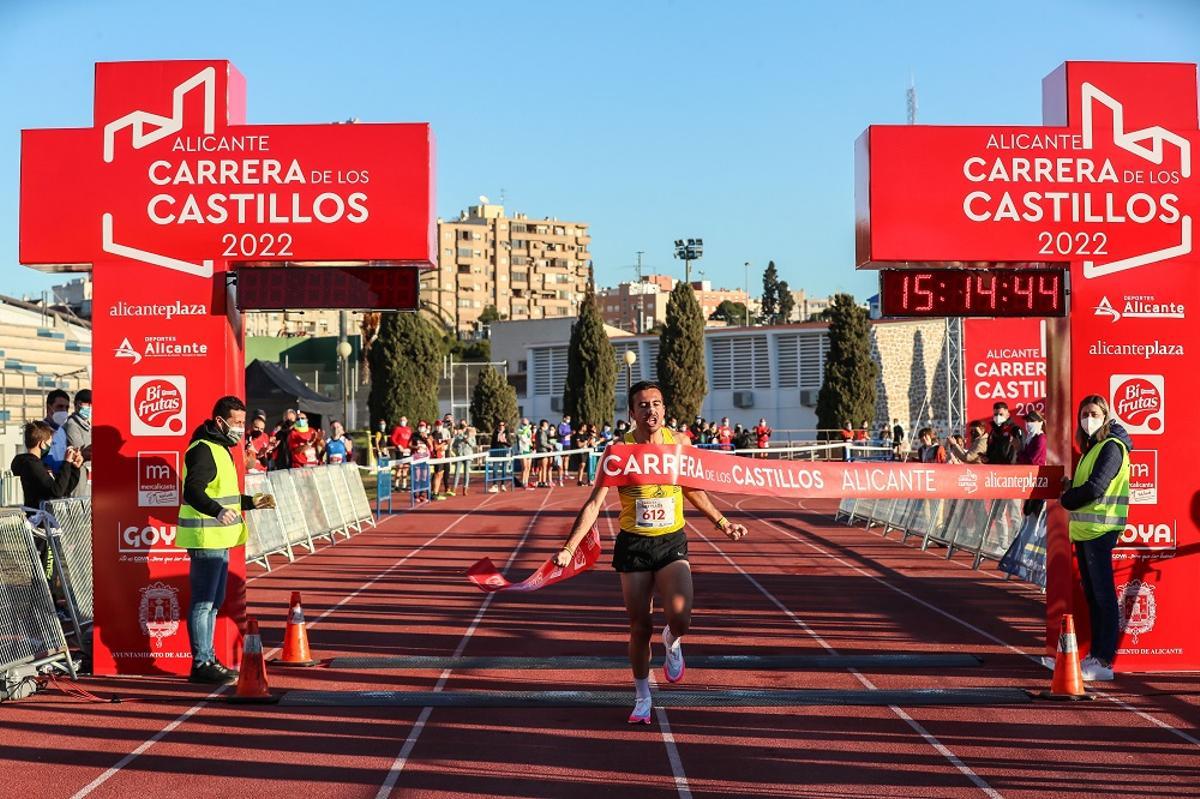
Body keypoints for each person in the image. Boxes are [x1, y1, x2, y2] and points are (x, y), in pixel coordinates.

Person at [553, 381, 748, 724]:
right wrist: (570, 548)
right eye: (643, 405)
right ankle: (642, 695)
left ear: (665, 409)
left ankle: (672, 640)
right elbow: (594, 503)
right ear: (631, 413)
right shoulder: (618, 453)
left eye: (656, 403)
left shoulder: (680, 444)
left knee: (681, 617)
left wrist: (723, 522)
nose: (651, 410)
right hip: (635, 544)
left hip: (671, 540)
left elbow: (692, 489)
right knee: (639, 626)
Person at [178, 396, 275, 684]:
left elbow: (225, 496)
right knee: (204, 602)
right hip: (205, 535)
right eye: (236, 423)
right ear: (220, 422)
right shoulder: (204, 450)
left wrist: (251, 502)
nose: (240, 429)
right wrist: (217, 511)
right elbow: (193, 492)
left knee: (213, 601)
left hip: (219, 537)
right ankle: (201, 662)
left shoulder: (221, 449)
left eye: (243, 423)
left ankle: (208, 659)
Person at [1059, 395, 1132, 683]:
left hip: (1101, 531)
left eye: (1093, 413)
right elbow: (1086, 486)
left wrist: (1067, 498)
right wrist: (1070, 488)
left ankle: (1103, 659)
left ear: (1105, 416)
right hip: (1086, 532)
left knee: (1103, 597)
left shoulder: (1111, 447)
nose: (1088, 419)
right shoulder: (1092, 447)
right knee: (1093, 596)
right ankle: (1096, 656)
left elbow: (1096, 488)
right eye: (1084, 414)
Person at [12, 421, 81, 511]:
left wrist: (75, 468)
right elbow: (56, 491)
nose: (51, 447)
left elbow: (64, 489)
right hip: (38, 520)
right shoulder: (31, 465)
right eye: (50, 444)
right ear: (42, 444)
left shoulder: (40, 464)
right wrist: (66, 462)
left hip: (48, 518)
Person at [60, 388, 92, 496]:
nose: (91, 408)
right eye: (88, 404)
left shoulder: (87, 425)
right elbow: (80, 451)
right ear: (78, 404)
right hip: (78, 475)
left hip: (88, 476)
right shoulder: (72, 425)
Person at [1018, 409, 1047, 517]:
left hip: (1039, 478)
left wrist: (1019, 452)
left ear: (1039, 422)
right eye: (1027, 421)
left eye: (1032, 421)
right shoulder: (1030, 438)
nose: (1028, 424)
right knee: (1028, 510)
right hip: (1030, 477)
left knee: (1035, 509)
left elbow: (1032, 460)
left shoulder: (1041, 438)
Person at [42, 388, 71, 473]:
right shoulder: (39, 430)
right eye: (60, 406)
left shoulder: (62, 431)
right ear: (49, 408)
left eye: (67, 407)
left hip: (62, 481)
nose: (64, 411)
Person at [516, 418, 534, 490]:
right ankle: (523, 483)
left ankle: (526, 482)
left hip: (528, 450)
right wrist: (527, 429)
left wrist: (532, 446)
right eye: (524, 424)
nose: (525, 425)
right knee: (525, 467)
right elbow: (523, 439)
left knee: (528, 468)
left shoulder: (529, 430)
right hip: (522, 451)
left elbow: (530, 439)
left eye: (526, 424)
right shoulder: (519, 430)